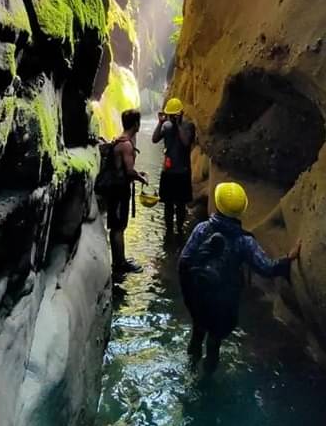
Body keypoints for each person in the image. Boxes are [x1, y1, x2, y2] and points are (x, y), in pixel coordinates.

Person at [178, 181, 301, 371]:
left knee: (197, 332)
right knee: (214, 342)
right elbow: (266, 268)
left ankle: (191, 367)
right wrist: (288, 259)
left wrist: (188, 294)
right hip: (223, 301)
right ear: (241, 210)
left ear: (217, 204)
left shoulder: (202, 228)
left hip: (199, 295)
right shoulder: (244, 240)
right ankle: (207, 377)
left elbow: (185, 260)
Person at [107, 108, 149, 274]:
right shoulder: (126, 145)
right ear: (136, 124)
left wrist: (138, 174)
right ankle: (120, 264)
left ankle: (119, 260)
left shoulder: (121, 140)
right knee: (118, 227)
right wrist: (141, 178)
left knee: (117, 226)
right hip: (119, 191)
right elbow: (129, 171)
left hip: (115, 190)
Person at [151, 97, 196, 235]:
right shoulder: (166, 126)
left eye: (173, 115)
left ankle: (180, 229)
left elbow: (186, 142)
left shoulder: (188, 126)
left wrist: (178, 125)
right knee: (168, 204)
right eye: (170, 115)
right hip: (168, 172)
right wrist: (160, 123)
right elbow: (154, 139)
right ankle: (169, 231)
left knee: (181, 204)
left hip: (182, 171)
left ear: (181, 114)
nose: (171, 118)